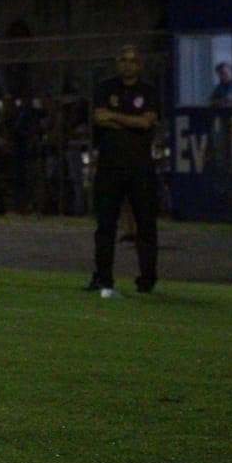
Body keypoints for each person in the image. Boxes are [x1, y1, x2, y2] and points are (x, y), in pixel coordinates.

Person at [85, 45, 159, 297]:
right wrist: (132, 121)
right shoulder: (105, 88)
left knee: (145, 225)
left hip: (140, 167)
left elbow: (146, 121)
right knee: (105, 225)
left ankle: (147, 279)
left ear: (140, 65)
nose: (128, 65)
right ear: (117, 63)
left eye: (133, 61)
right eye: (123, 60)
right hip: (110, 166)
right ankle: (103, 278)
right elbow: (99, 118)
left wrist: (116, 118)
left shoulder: (148, 92)